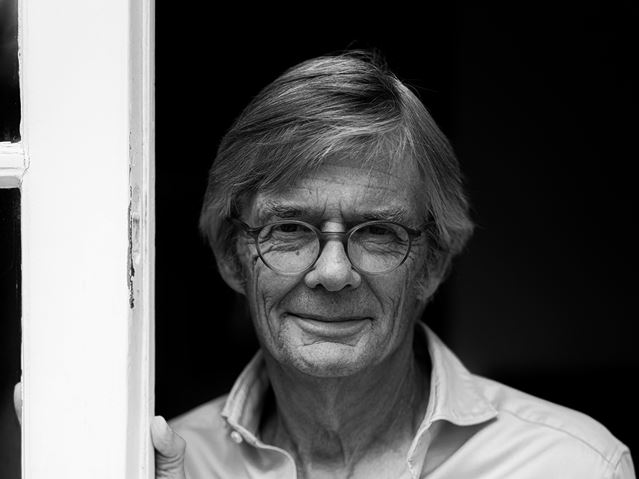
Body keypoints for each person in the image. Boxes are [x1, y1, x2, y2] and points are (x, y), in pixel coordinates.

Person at [16, 51, 636, 479]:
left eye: (379, 232)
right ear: (233, 255)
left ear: (432, 265)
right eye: (289, 229)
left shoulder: (571, 464)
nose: (333, 272)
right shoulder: (156, 462)